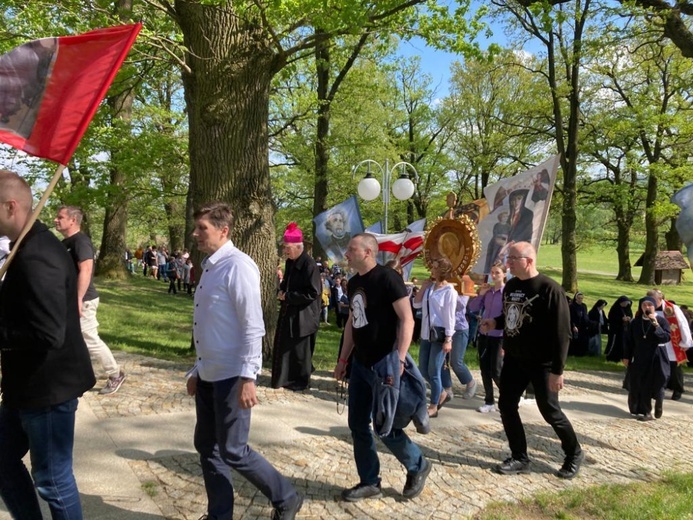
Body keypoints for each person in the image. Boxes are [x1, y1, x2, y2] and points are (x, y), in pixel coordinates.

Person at [186, 202, 302, 520]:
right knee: (207, 446)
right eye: (196, 227)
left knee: (233, 450)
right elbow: (209, 323)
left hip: (232, 376)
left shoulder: (238, 266)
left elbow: (253, 325)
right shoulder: (210, 264)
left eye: (202, 229)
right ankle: (219, 515)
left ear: (223, 231)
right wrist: (197, 368)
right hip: (209, 374)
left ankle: (287, 497)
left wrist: (249, 377)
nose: (195, 233)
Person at [0, 170, 96, 518]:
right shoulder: (25, 246)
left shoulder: (39, 255)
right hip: (24, 386)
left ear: (11, 207)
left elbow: (48, 333)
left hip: (48, 389)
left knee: (52, 480)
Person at [334, 233, 432, 502]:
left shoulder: (389, 279)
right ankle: (369, 481)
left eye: (351, 249)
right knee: (357, 424)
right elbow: (353, 324)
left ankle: (418, 465)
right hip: (360, 365)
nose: (347, 254)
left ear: (368, 252)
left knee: (385, 426)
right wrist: (343, 360)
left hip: (386, 363)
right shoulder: (354, 282)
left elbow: (407, 320)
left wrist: (399, 358)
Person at [480, 241, 583, 479]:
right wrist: (495, 322)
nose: (508, 264)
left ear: (528, 260)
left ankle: (574, 453)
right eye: (508, 259)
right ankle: (519, 457)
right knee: (506, 406)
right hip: (515, 359)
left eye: (512, 259)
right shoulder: (512, 286)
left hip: (542, 362)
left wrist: (558, 370)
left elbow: (562, 333)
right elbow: (510, 315)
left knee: (550, 411)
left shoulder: (550, 289)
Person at [55, 205, 127, 395]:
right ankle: (69, 374)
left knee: (89, 338)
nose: (56, 220)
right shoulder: (66, 242)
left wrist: (78, 298)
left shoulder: (81, 241)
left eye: (60, 217)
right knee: (68, 338)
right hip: (69, 299)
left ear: (73, 220)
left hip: (84, 300)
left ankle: (115, 373)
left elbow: (86, 269)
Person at [271, 222, 321, 391]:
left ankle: (299, 381)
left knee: (300, 352)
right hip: (289, 312)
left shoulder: (309, 265)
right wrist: (282, 290)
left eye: (287, 248)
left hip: (304, 316)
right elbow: (287, 281)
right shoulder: (291, 263)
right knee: (285, 347)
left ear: (298, 247)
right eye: (285, 248)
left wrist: (289, 296)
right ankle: (283, 378)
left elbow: (312, 293)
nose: (285, 251)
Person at [413, 257, 458, 418]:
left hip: (439, 335)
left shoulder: (449, 291)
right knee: (423, 369)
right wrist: (423, 288)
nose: (431, 269)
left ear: (441, 271)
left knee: (434, 371)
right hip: (426, 333)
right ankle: (441, 393)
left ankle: (433, 405)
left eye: (434, 267)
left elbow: (449, 317)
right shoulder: (430, 287)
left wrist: (448, 339)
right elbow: (417, 305)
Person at [623, 296, 671, 421]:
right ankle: (647, 412)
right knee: (644, 383)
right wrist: (626, 356)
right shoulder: (635, 322)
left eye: (650, 305)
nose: (647, 307)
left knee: (660, 380)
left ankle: (659, 401)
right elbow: (629, 341)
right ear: (641, 307)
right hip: (641, 356)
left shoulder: (661, 320)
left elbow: (666, 338)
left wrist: (656, 325)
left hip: (658, 356)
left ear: (654, 307)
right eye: (644, 305)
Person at [468, 262, 506, 413]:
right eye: (492, 272)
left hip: (499, 336)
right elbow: (473, 308)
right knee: (484, 369)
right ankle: (489, 401)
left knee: (496, 369)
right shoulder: (488, 292)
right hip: (484, 334)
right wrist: (481, 295)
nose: (494, 275)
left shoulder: (506, 293)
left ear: (504, 274)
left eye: (497, 272)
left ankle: (508, 397)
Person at [647, 289, 691, 401]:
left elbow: (682, 324)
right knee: (657, 367)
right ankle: (657, 389)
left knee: (674, 369)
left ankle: (678, 389)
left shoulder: (672, 309)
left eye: (653, 300)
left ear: (661, 299)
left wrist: (686, 341)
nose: (651, 303)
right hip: (656, 341)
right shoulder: (647, 307)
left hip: (672, 343)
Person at [440, 288, 478, 408]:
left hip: (460, 328)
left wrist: (451, 292)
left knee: (456, 361)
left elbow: (460, 306)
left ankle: (470, 382)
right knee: (443, 361)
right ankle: (447, 387)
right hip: (443, 328)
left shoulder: (464, 283)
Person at [605, 296, 633, 362]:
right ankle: (610, 356)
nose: (625, 304)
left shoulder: (627, 308)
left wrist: (629, 318)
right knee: (614, 342)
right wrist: (621, 319)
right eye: (624, 303)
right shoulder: (615, 308)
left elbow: (630, 315)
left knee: (622, 343)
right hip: (615, 329)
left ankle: (621, 356)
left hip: (624, 329)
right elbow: (611, 318)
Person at [568, 292, 591, 357]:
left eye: (581, 298)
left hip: (583, 325)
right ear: (576, 298)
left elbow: (585, 315)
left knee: (583, 339)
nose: (580, 299)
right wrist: (573, 326)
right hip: (575, 325)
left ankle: (581, 353)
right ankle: (572, 353)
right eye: (579, 298)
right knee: (575, 340)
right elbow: (571, 317)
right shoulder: (572, 306)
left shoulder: (584, 306)